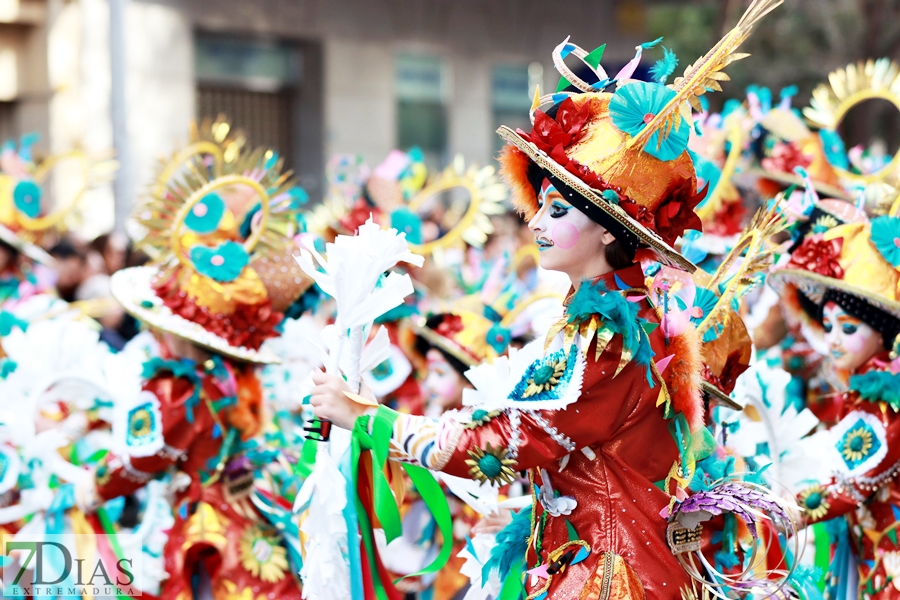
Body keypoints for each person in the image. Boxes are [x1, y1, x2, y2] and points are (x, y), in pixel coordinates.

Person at [306, 3, 785, 594]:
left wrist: (364, 417)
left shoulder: (611, 335)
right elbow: (573, 455)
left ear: (610, 229)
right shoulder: (617, 316)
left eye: (558, 210)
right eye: (541, 205)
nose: (536, 222)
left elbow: (506, 443)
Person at [76, 141, 313, 600]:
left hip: (207, 520)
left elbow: (143, 457)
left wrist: (92, 487)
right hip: (245, 506)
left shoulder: (176, 387)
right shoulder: (228, 377)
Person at [769, 217, 900, 599]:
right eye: (829, 326)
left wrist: (781, 512)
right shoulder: (866, 386)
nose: (834, 340)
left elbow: (847, 484)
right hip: (869, 542)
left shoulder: (885, 398)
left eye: (848, 328)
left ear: (881, 333)